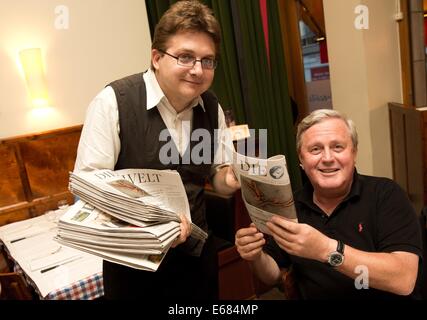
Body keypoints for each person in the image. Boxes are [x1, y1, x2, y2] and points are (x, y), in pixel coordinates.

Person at [74, 0, 240, 300]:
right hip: (133, 268)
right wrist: (148, 221)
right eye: (186, 57)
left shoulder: (211, 107)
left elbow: (217, 178)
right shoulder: (114, 102)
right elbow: (88, 188)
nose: (197, 70)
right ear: (156, 57)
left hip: (196, 261)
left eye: (207, 60)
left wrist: (235, 177)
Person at [235, 109, 423, 299]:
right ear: (301, 159)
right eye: (315, 149)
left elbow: (404, 280)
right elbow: (274, 274)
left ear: (354, 153)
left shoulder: (386, 194)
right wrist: (256, 257)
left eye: (337, 147)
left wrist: (324, 249)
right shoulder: (290, 206)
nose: (327, 158)